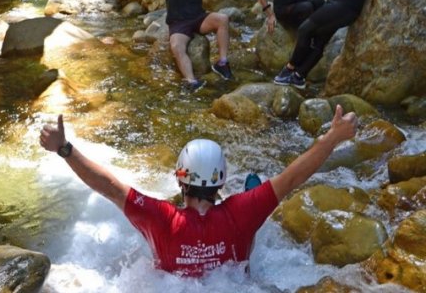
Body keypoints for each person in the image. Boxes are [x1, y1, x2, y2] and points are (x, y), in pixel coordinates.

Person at [39, 104, 357, 277]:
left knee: (252, 205)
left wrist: (64, 149)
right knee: (255, 203)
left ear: (180, 179)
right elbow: (291, 178)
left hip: (174, 283)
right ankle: (254, 190)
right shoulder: (240, 211)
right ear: (220, 181)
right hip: (236, 278)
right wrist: (333, 138)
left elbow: (108, 186)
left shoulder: (161, 217)